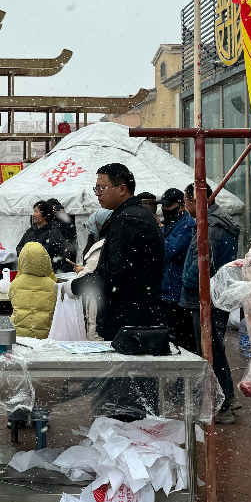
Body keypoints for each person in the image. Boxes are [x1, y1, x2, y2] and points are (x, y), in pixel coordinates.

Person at [70, 164, 164, 420]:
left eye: (102, 188)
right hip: (133, 317)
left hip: (131, 321)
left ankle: (127, 445)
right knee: (128, 391)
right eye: (96, 188)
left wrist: (76, 285)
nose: (97, 194)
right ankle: (125, 440)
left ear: (122, 188)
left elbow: (115, 273)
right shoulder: (130, 216)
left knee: (126, 396)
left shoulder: (129, 220)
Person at [180, 182, 240, 424]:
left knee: (210, 352)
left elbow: (201, 266)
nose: (185, 208)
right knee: (215, 349)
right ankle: (228, 397)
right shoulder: (218, 223)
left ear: (195, 201)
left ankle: (220, 405)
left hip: (206, 299)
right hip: (214, 296)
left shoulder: (211, 227)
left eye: (186, 202)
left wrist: (187, 282)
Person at [159, 188, 197, 353]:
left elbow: (168, 252)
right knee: (168, 341)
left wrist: (154, 232)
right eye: (163, 206)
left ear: (181, 206)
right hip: (165, 292)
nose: (165, 209)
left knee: (182, 343)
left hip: (177, 293)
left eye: (168, 206)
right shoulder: (168, 224)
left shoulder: (188, 226)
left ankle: (183, 378)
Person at [74, 209, 111, 339]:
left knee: (96, 338)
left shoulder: (101, 246)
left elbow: (87, 277)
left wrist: (81, 273)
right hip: (106, 301)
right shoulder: (113, 242)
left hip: (99, 302)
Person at [9, 242, 56, 339]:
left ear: (22, 260)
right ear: (45, 260)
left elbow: (11, 300)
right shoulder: (53, 285)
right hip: (45, 335)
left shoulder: (16, 283)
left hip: (18, 334)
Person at [17, 200, 70, 273]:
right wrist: (25, 254)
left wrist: (30, 252)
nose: (33, 215)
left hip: (47, 272)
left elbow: (52, 249)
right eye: (34, 211)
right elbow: (19, 247)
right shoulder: (31, 230)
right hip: (29, 271)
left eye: (36, 211)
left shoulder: (54, 230)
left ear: (45, 215)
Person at [48, 198, 78, 267]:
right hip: (51, 253)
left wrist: (64, 217)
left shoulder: (64, 219)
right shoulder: (46, 220)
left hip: (65, 252)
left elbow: (72, 232)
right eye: (52, 208)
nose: (54, 210)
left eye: (56, 208)